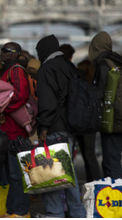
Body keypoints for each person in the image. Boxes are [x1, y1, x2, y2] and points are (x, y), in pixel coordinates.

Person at [36, 34, 86, 218]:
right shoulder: (68, 67)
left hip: (54, 127)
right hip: (70, 125)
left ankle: (54, 213)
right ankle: (77, 212)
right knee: (67, 172)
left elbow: (48, 102)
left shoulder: (47, 69)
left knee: (49, 173)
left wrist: (44, 127)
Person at [88, 31, 122, 179]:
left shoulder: (104, 65)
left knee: (111, 161)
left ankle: (117, 196)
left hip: (111, 119)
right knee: (114, 158)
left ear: (96, 47)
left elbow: (101, 94)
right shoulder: (120, 62)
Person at [0, 42, 30, 218]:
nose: (2, 53)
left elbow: (20, 95)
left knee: (17, 175)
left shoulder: (16, 70)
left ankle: (21, 212)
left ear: (16, 54)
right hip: (9, 131)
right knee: (11, 175)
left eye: (6, 51)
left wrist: (2, 109)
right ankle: (12, 210)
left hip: (16, 133)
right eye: (1, 50)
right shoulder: (8, 71)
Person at [75, 60, 101, 182]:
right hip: (91, 125)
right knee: (90, 155)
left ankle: (92, 182)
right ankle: (94, 183)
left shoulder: (79, 85)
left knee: (83, 155)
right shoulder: (96, 86)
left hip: (78, 123)